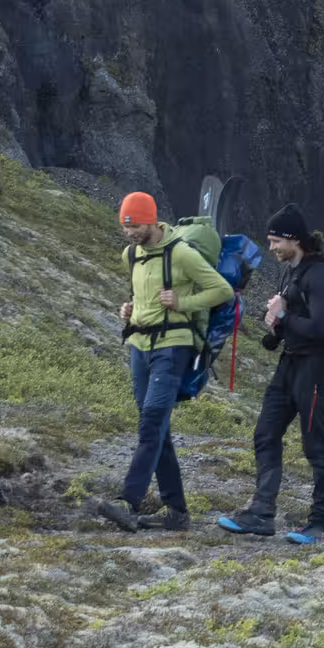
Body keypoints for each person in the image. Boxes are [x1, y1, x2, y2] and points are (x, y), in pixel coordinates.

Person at [97, 190, 233, 534]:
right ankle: (176, 512)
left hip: (174, 346)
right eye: (125, 227)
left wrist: (183, 301)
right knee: (157, 428)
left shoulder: (182, 254)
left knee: (152, 420)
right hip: (139, 346)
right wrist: (128, 310)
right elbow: (139, 293)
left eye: (136, 226)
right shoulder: (130, 255)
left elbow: (222, 291)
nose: (130, 233)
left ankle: (129, 501)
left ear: (152, 220)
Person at [218, 203, 324, 544]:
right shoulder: (292, 272)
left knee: (316, 446)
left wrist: (283, 317)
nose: (270, 247)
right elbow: (291, 319)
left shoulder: (320, 274)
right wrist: (274, 322)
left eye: (275, 241)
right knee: (265, 433)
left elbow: (321, 327)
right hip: (290, 363)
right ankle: (260, 513)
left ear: (293, 240)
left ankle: (322, 521)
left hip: (316, 368)